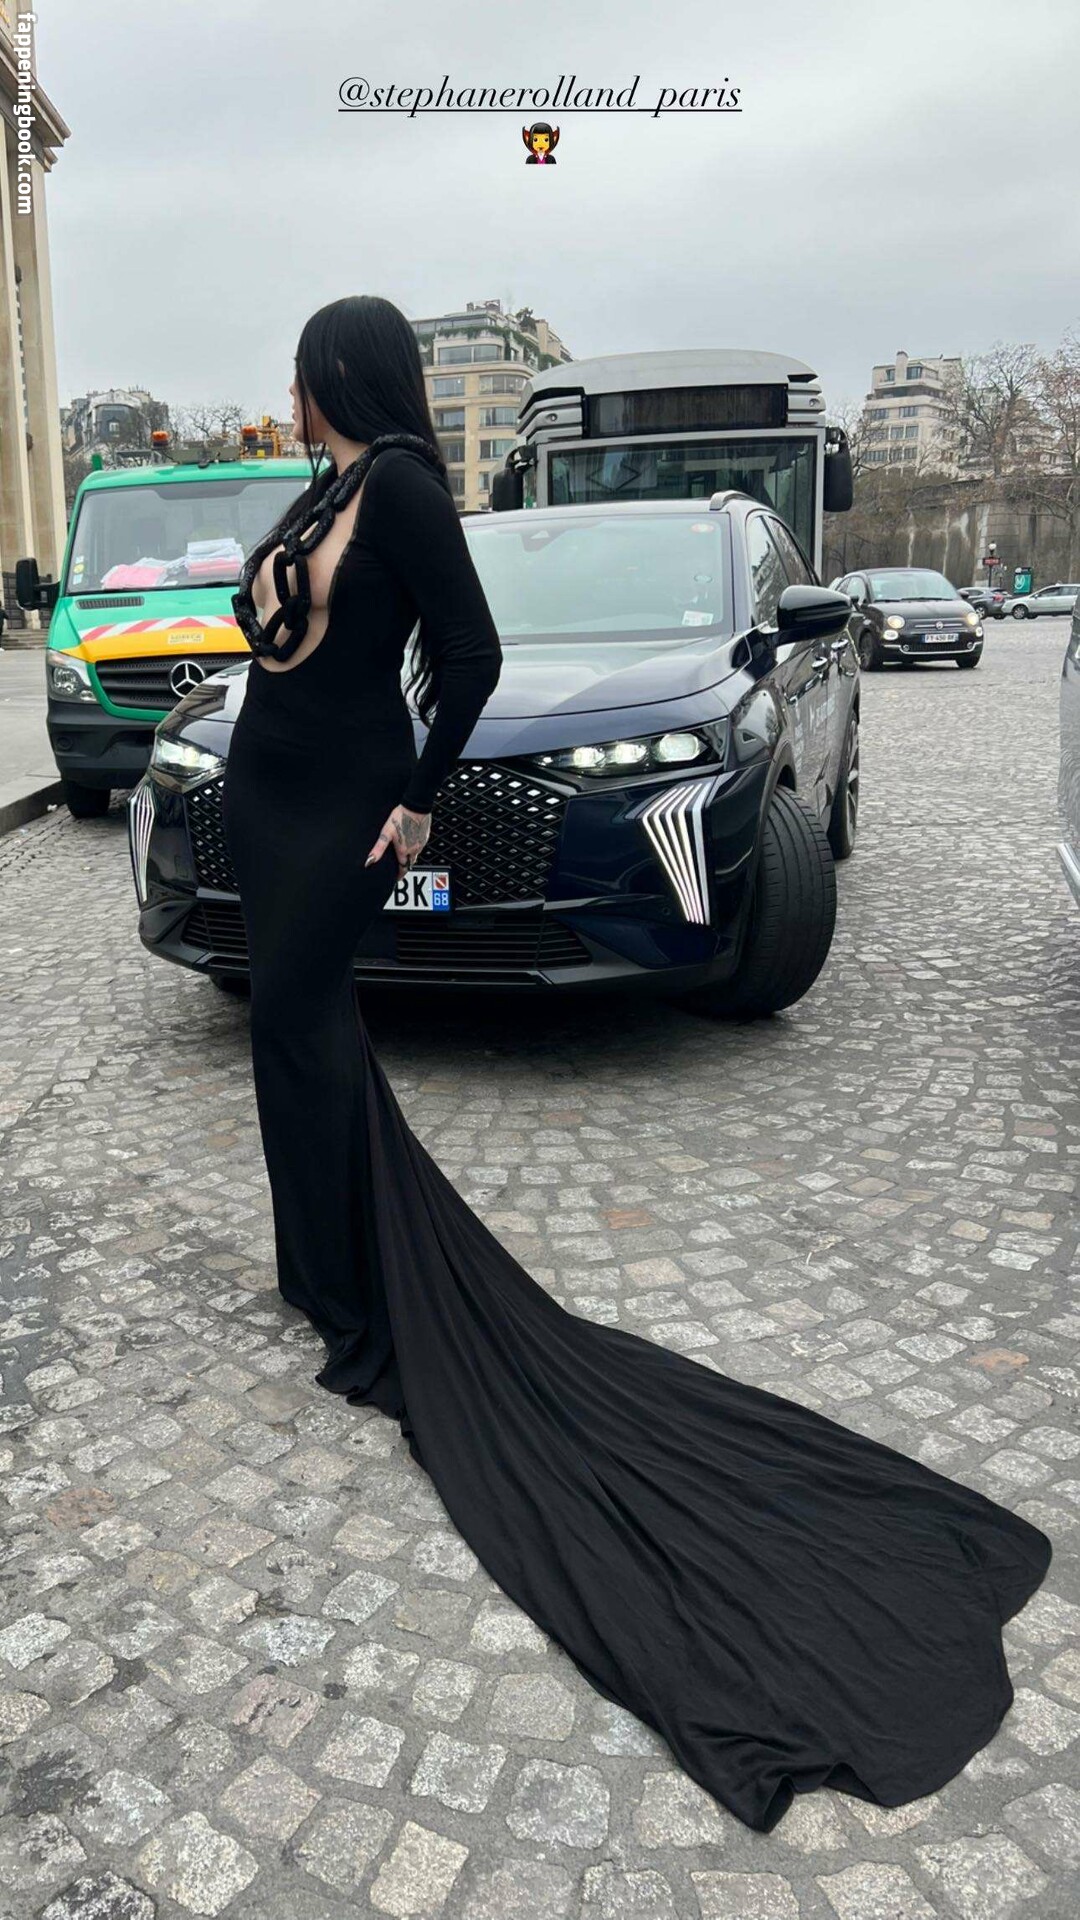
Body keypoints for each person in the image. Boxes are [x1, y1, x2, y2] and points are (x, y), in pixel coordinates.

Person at [223, 294, 1052, 1836]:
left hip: (342, 799)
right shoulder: (322, 487)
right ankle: (319, 1266)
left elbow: (467, 655)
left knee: (307, 1028)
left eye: (304, 368)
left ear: (344, 373)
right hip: (266, 791)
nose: (292, 386)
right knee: (288, 1031)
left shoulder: (400, 486)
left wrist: (417, 799)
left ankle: (359, 1292)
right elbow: (272, 635)